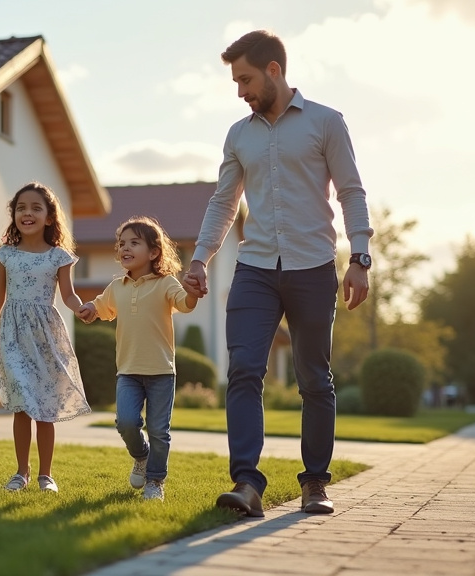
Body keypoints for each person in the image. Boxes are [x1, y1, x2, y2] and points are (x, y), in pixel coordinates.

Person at [181, 30, 373, 517]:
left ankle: (314, 483)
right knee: (244, 369)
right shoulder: (238, 134)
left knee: (314, 377)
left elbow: (351, 191)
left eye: (245, 78)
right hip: (255, 267)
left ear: (273, 70)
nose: (240, 90)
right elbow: (224, 202)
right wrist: (201, 258)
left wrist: (360, 258)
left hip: (312, 268)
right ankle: (247, 483)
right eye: (235, 81)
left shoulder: (326, 122)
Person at [0, 181, 92, 493]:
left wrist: (81, 308)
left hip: (46, 336)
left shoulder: (59, 257)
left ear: (50, 217)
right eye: (21, 208)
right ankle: (20, 472)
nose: (28, 213)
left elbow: (68, 295)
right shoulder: (6, 255)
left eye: (36, 208)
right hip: (13, 335)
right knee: (22, 404)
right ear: (14, 215)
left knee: (45, 407)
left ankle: (46, 476)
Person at [77, 216, 197, 501]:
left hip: (161, 372)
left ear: (154, 252)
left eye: (134, 243)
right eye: (121, 244)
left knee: (158, 430)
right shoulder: (117, 287)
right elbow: (101, 306)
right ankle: (141, 457)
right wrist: (89, 310)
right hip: (128, 371)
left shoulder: (165, 283)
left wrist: (192, 294)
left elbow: (184, 303)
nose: (125, 248)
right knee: (126, 422)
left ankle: (155, 481)